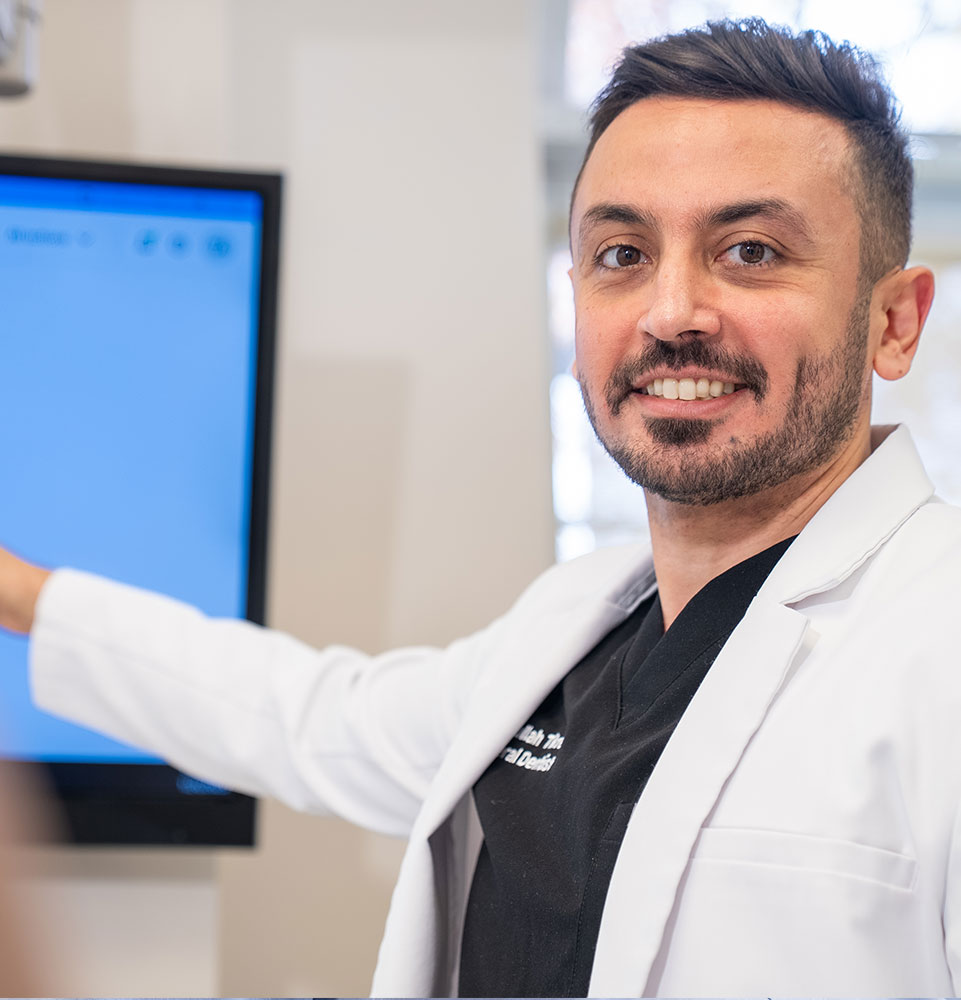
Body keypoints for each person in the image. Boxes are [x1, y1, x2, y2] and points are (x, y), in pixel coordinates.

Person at [0, 15, 955, 998]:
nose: (671, 313)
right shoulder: (570, 631)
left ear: (893, 321)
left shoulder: (937, 646)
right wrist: (22, 593)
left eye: (749, 250)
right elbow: (308, 716)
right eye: (622, 253)